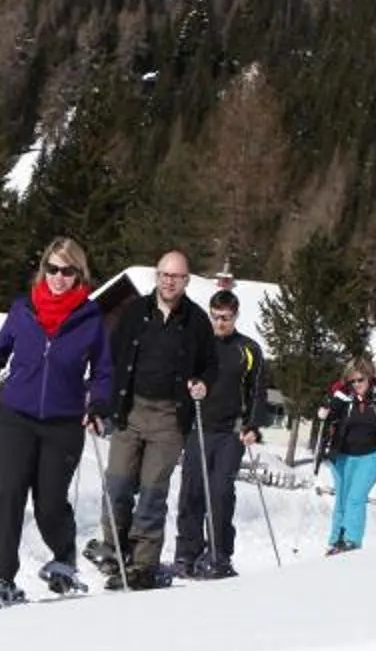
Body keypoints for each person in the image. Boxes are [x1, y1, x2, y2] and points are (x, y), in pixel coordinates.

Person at [0, 235, 112, 604]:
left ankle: (64, 558)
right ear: (43, 269)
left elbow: (105, 371)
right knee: (9, 492)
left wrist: (99, 406)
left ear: (79, 275)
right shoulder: (23, 309)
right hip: (16, 416)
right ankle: (0, 577)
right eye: (52, 268)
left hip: (64, 423)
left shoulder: (91, 319)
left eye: (68, 271)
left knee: (49, 502)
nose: (59, 277)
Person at [99, 251, 216, 589]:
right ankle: (115, 550)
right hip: (130, 410)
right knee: (118, 483)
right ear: (156, 276)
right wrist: (100, 402)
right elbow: (112, 357)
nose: (169, 281)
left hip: (169, 417)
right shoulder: (135, 311)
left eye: (176, 277)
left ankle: (144, 563)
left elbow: (210, 365)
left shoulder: (196, 320)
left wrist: (203, 383)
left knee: (152, 491)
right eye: (165, 275)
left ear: (186, 281)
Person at [173, 288, 271, 578]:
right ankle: (186, 553)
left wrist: (253, 424)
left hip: (230, 433)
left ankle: (219, 554)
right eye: (215, 318)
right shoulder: (197, 344)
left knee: (220, 492)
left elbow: (257, 391)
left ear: (235, 316)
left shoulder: (248, 349)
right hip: (197, 429)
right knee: (191, 492)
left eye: (225, 318)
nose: (219, 324)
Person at [313, 354, 376, 554]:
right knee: (342, 498)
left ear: (369, 377)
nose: (356, 384)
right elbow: (329, 412)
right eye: (352, 380)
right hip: (342, 456)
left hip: (372, 456)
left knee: (356, 497)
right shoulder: (343, 397)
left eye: (360, 379)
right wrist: (325, 411)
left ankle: (352, 540)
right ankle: (336, 540)